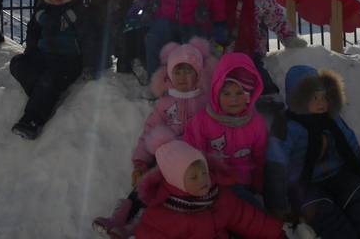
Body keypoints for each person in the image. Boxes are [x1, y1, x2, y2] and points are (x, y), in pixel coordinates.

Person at [92, 38, 218, 238]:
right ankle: (120, 216)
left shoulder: (205, 100)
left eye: (188, 71)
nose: (182, 77)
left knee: (160, 189)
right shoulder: (165, 103)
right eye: (177, 71)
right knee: (146, 181)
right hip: (167, 155)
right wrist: (141, 161)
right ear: (169, 74)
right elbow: (150, 131)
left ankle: (137, 223)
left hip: (192, 160)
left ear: (198, 73)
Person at [264, 65, 360, 239]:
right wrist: (277, 204)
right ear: (299, 98)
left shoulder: (332, 118)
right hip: (304, 183)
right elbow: (276, 162)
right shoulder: (287, 124)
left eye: (325, 96)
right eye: (314, 97)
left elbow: (351, 146)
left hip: (337, 174)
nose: (321, 102)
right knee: (323, 212)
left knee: (358, 197)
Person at [134, 126, 287, 239]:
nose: (202, 179)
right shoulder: (161, 218)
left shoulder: (219, 196)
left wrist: (276, 235)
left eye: (204, 173)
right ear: (176, 181)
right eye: (194, 177)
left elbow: (247, 219)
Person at [8, 0, 100, 140]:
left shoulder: (78, 11)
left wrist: (89, 65)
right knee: (17, 62)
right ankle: (42, 92)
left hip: (68, 60)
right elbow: (33, 32)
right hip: (43, 56)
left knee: (50, 79)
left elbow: (90, 38)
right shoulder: (42, 12)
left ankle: (31, 121)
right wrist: (31, 53)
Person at [220, 0, 307, 114]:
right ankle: (224, 98)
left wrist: (289, 37)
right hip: (226, 48)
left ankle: (269, 95)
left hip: (252, 47)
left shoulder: (261, 0)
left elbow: (277, 19)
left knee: (257, 68)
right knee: (224, 73)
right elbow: (215, 20)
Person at [184, 52, 268, 210]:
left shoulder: (255, 123)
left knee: (251, 212)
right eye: (227, 93)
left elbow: (260, 158)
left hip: (243, 184)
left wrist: (258, 186)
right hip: (211, 183)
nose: (233, 99)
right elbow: (192, 155)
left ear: (249, 95)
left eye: (239, 93)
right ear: (217, 93)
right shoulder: (202, 121)